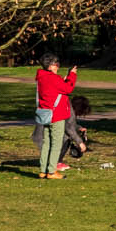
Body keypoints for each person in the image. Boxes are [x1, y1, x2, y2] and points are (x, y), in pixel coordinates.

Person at [34, 52, 77, 180]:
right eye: (56, 64)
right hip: (56, 115)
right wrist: (72, 75)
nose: (58, 66)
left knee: (46, 142)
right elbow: (68, 88)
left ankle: (43, 170)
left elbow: (53, 89)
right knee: (56, 143)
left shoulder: (41, 77)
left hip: (45, 114)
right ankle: (52, 171)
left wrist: (62, 80)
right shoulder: (54, 78)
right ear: (51, 65)